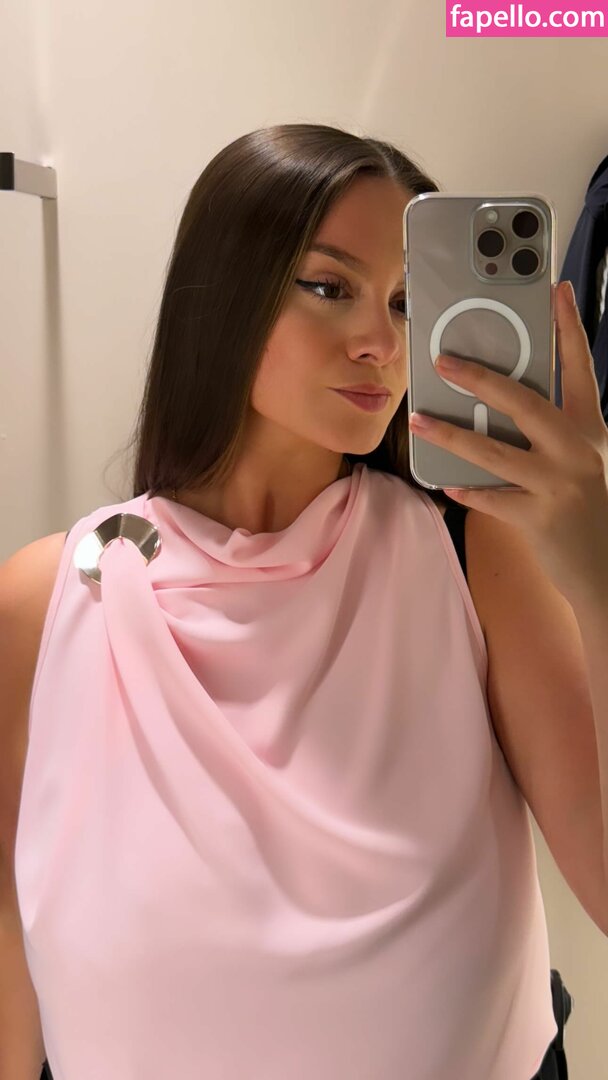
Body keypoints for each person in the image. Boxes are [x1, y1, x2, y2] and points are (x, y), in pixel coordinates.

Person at [3, 124, 571, 1079]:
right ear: (226, 291)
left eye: (406, 301)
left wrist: (590, 547)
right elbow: (6, 931)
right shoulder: (54, 592)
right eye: (329, 286)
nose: (381, 342)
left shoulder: (470, 548)